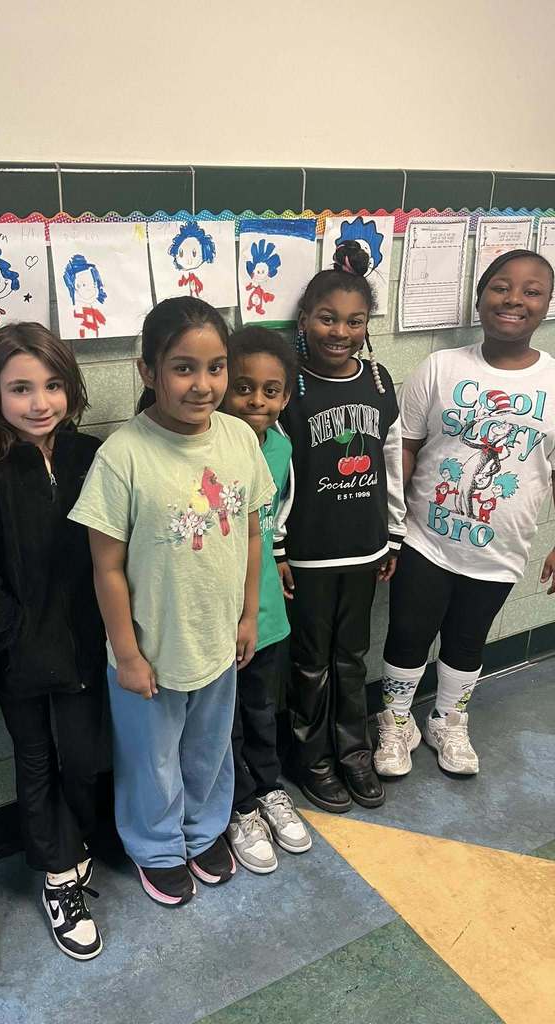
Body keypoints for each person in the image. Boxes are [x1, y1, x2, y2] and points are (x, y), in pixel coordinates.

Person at [69, 296, 275, 906]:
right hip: (150, 650)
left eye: (216, 369)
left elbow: (253, 531)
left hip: (218, 639)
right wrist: (127, 654)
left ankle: (204, 829)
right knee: (151, 760)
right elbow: (105, 566)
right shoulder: (122, 456)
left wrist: (246, 615)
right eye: (183, 368)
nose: (203, 384)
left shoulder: (239, 437)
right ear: (147, 372)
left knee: (210, 747)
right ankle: (157, 846)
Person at [0, 323, 107, 961]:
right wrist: (1, 638)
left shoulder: (89, 456)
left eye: (52, 385)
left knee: (85, 756)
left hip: (90, 644)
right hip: (20, 653)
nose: (39, 402)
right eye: (20, 388)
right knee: (36, 761)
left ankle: (79, 844)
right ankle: (57, 875)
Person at [375, 249, 555, 777]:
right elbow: (404, 446)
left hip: (501, 550)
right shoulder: (442, 366)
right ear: (479, 298)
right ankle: (395, 720)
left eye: (531, 290)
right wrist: (394, 524)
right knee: (407, 632)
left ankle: (448, 720)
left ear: (546, 304)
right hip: (425, 539)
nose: (514, 299)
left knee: (466, 640)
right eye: (501, 286)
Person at [280, 241, 406, 813]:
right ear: (305, 319)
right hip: (307, 552)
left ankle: (353, 751)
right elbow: (273, 473)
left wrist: (394, 533)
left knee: (352, 656)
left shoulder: (379, 381)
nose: (340, 331)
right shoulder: (286, 384)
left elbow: (393, 461)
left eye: (354, 321)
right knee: (310, 660)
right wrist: (279, 547)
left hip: (364, 548)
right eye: (327, 318)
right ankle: (313, 758)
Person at [221, 326, 311, 873]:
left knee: (258, 707)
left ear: (286, 395)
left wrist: (278, 557)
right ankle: (237, 806)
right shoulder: (207, 443)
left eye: (271, 391)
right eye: (244, 387)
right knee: (223, 718)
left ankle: (268, 788)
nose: (257, 401)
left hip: (267, 612)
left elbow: (275, 512)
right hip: (215, 610)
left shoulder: (281, 446)